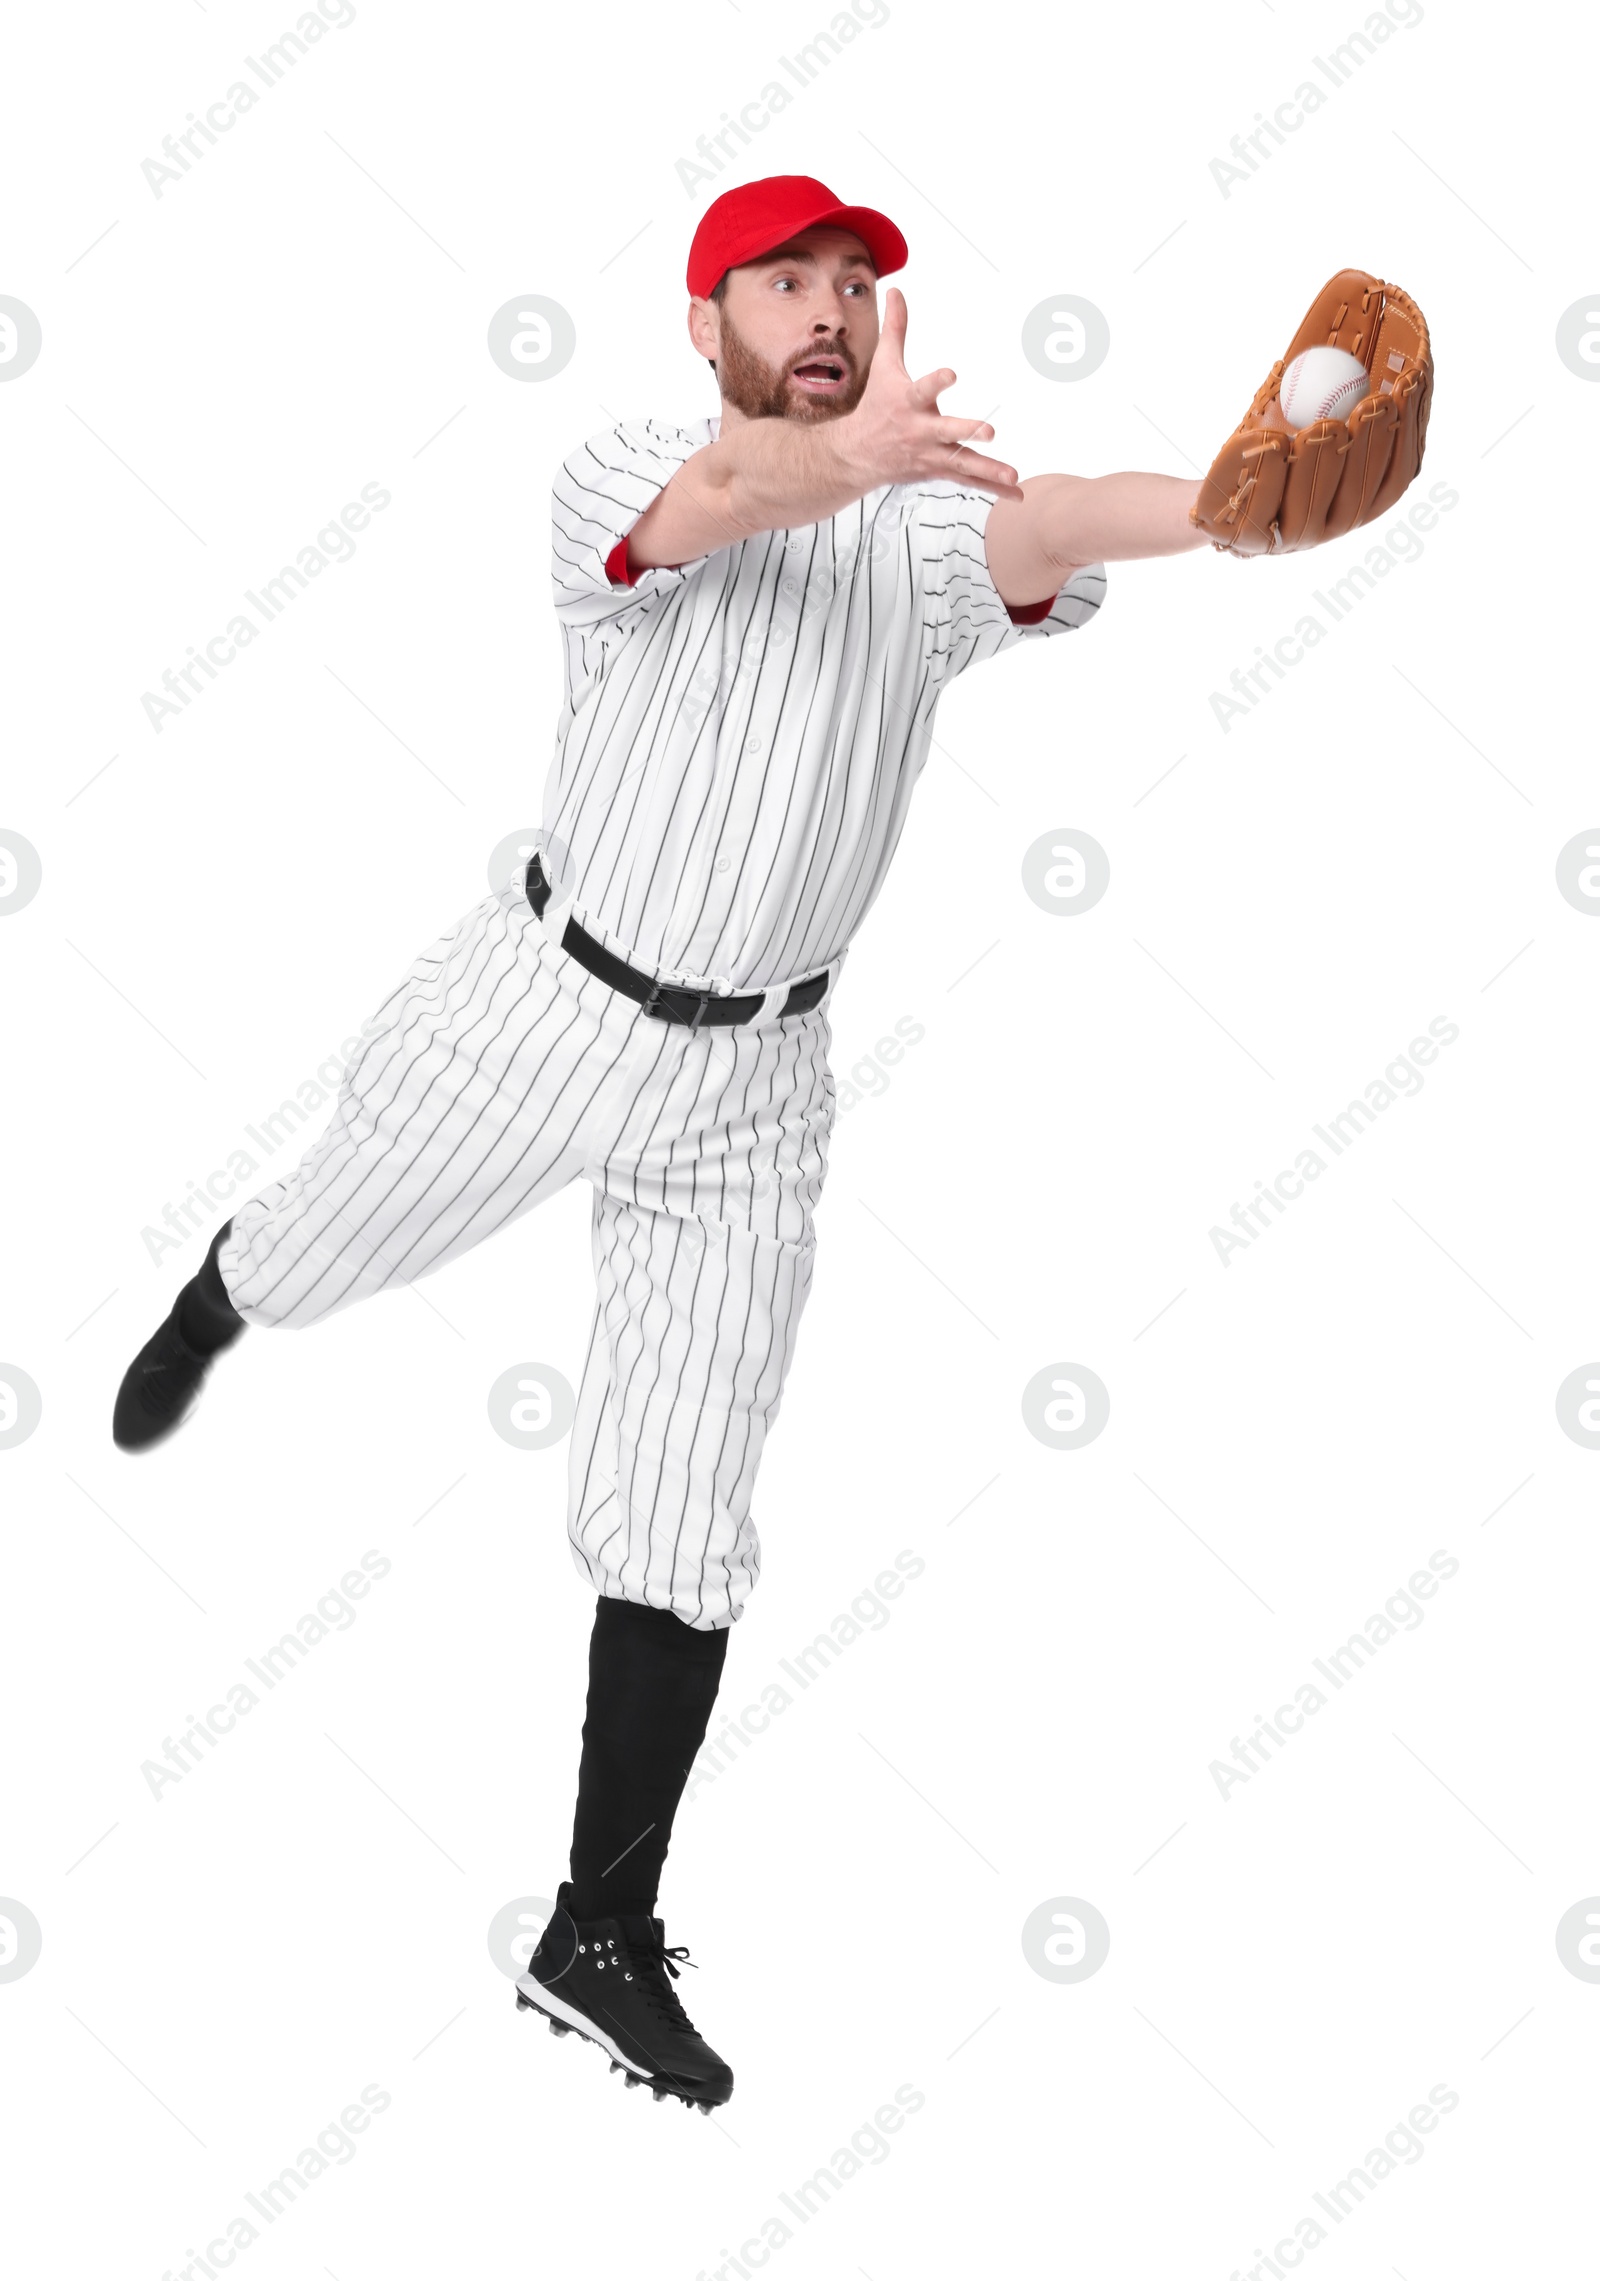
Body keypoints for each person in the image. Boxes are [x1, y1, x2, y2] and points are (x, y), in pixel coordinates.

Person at [113, 174, 1218, 2110]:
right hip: (543, 1007)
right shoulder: (625, 466)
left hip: (755, 1085)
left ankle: (593, 1930)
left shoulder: (927, 522)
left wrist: (1233, 500)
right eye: (780, 281)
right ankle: (224, 1292)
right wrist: (833, 462)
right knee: (326, 1236)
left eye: (853, 281)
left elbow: (1050, 523)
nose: (824, 304)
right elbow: (713, 507)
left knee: (686, 1510)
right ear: (705, 324)